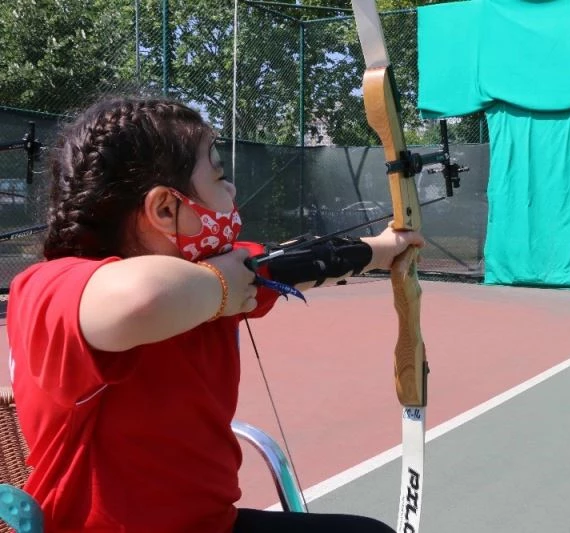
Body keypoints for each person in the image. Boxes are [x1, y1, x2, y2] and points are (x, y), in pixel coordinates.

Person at [6, 96, 424, 533]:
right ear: (165, 209)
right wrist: (223, 288)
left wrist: (386, 249)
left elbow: (302, 262)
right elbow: (141, 299)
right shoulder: (49, 287)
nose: (232, 191)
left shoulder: (209, 272)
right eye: (219, 177)